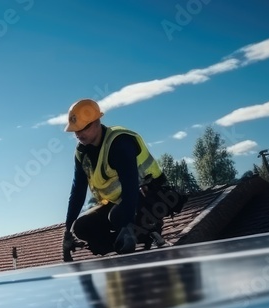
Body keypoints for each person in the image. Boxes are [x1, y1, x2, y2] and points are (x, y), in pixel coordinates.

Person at [61, 98, 185, 258]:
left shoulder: (119, 143)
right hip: (118, 202)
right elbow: (77, 192)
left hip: (154, 196)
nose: (78, 134)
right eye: (75, 130)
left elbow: (130, 187)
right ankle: (122, 244)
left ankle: (151, 232)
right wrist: (67, 230)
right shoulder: (82, 153)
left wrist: (127, 226)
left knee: (118, 217)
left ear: (97, 121)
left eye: (83, 128)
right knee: (82, 227)